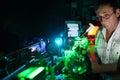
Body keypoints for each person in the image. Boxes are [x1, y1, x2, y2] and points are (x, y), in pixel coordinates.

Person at [89, 0, 120, 79]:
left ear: (117, 13)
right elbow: (91, 50)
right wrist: (93, 60)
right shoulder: (98, 33)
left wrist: (98, 68)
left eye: (106, 15)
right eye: (99, 17)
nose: (102, 21)